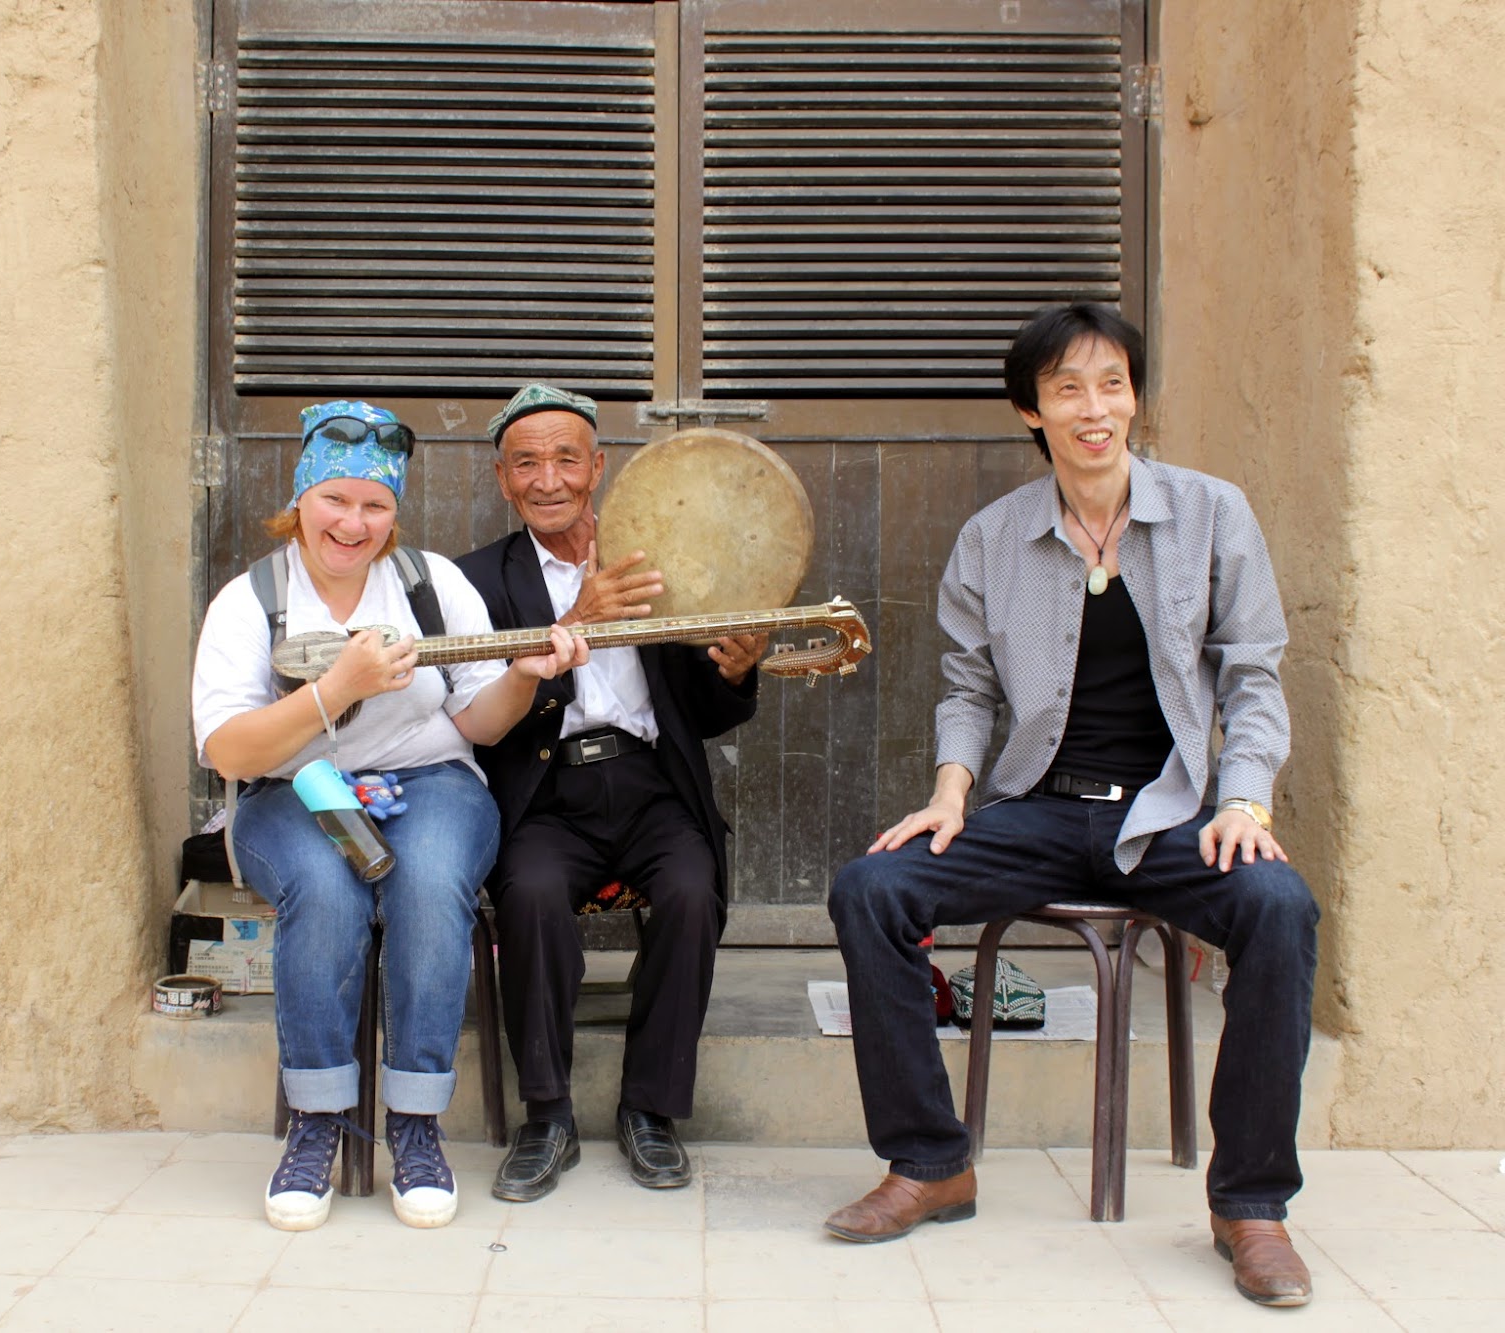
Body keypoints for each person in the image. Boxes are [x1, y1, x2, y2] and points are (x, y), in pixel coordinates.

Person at [823, 304, 1321, 1308]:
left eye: (1112, 385)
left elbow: (1252, 676)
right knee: (870, 888)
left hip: (1171, 815)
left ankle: (1251, 1205)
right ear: (1030, 410)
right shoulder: (991, 537)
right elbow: (967, 686)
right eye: (1067, 390)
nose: (1094, 409)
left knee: (1279, 907)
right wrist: (950, 793)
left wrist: (1242, 801)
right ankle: (929, 1162)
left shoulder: (1212, 513)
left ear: (1133, 398)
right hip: (1041, 811)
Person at [192, 399, 586, 1233]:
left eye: (375, 505)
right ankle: (317, 1120)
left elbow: (480, 722)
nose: (353, 523)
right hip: (293, 790)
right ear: (300, 498)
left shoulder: (428, 585)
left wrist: (524, 675)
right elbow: (228, 751)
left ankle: (414, 1120)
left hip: (430, 780)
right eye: (335, 499)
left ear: (394, 512)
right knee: (323, 888)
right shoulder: (250, 599)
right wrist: (336, 689)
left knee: (430, 881)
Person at [454, 384, 767, 1202]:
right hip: (546, 788)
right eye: (527, 463)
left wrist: (735, 672)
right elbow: (483, 722)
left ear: (598, 468)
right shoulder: (475, 582)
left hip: (651, 782)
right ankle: (546, 1115)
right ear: (502, 479)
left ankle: (650, 1110)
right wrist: (576, 622)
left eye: (566, 459)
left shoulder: (658, 560)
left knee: (692, 889)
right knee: (530, 894)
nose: (548, 479)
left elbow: (702, 710)